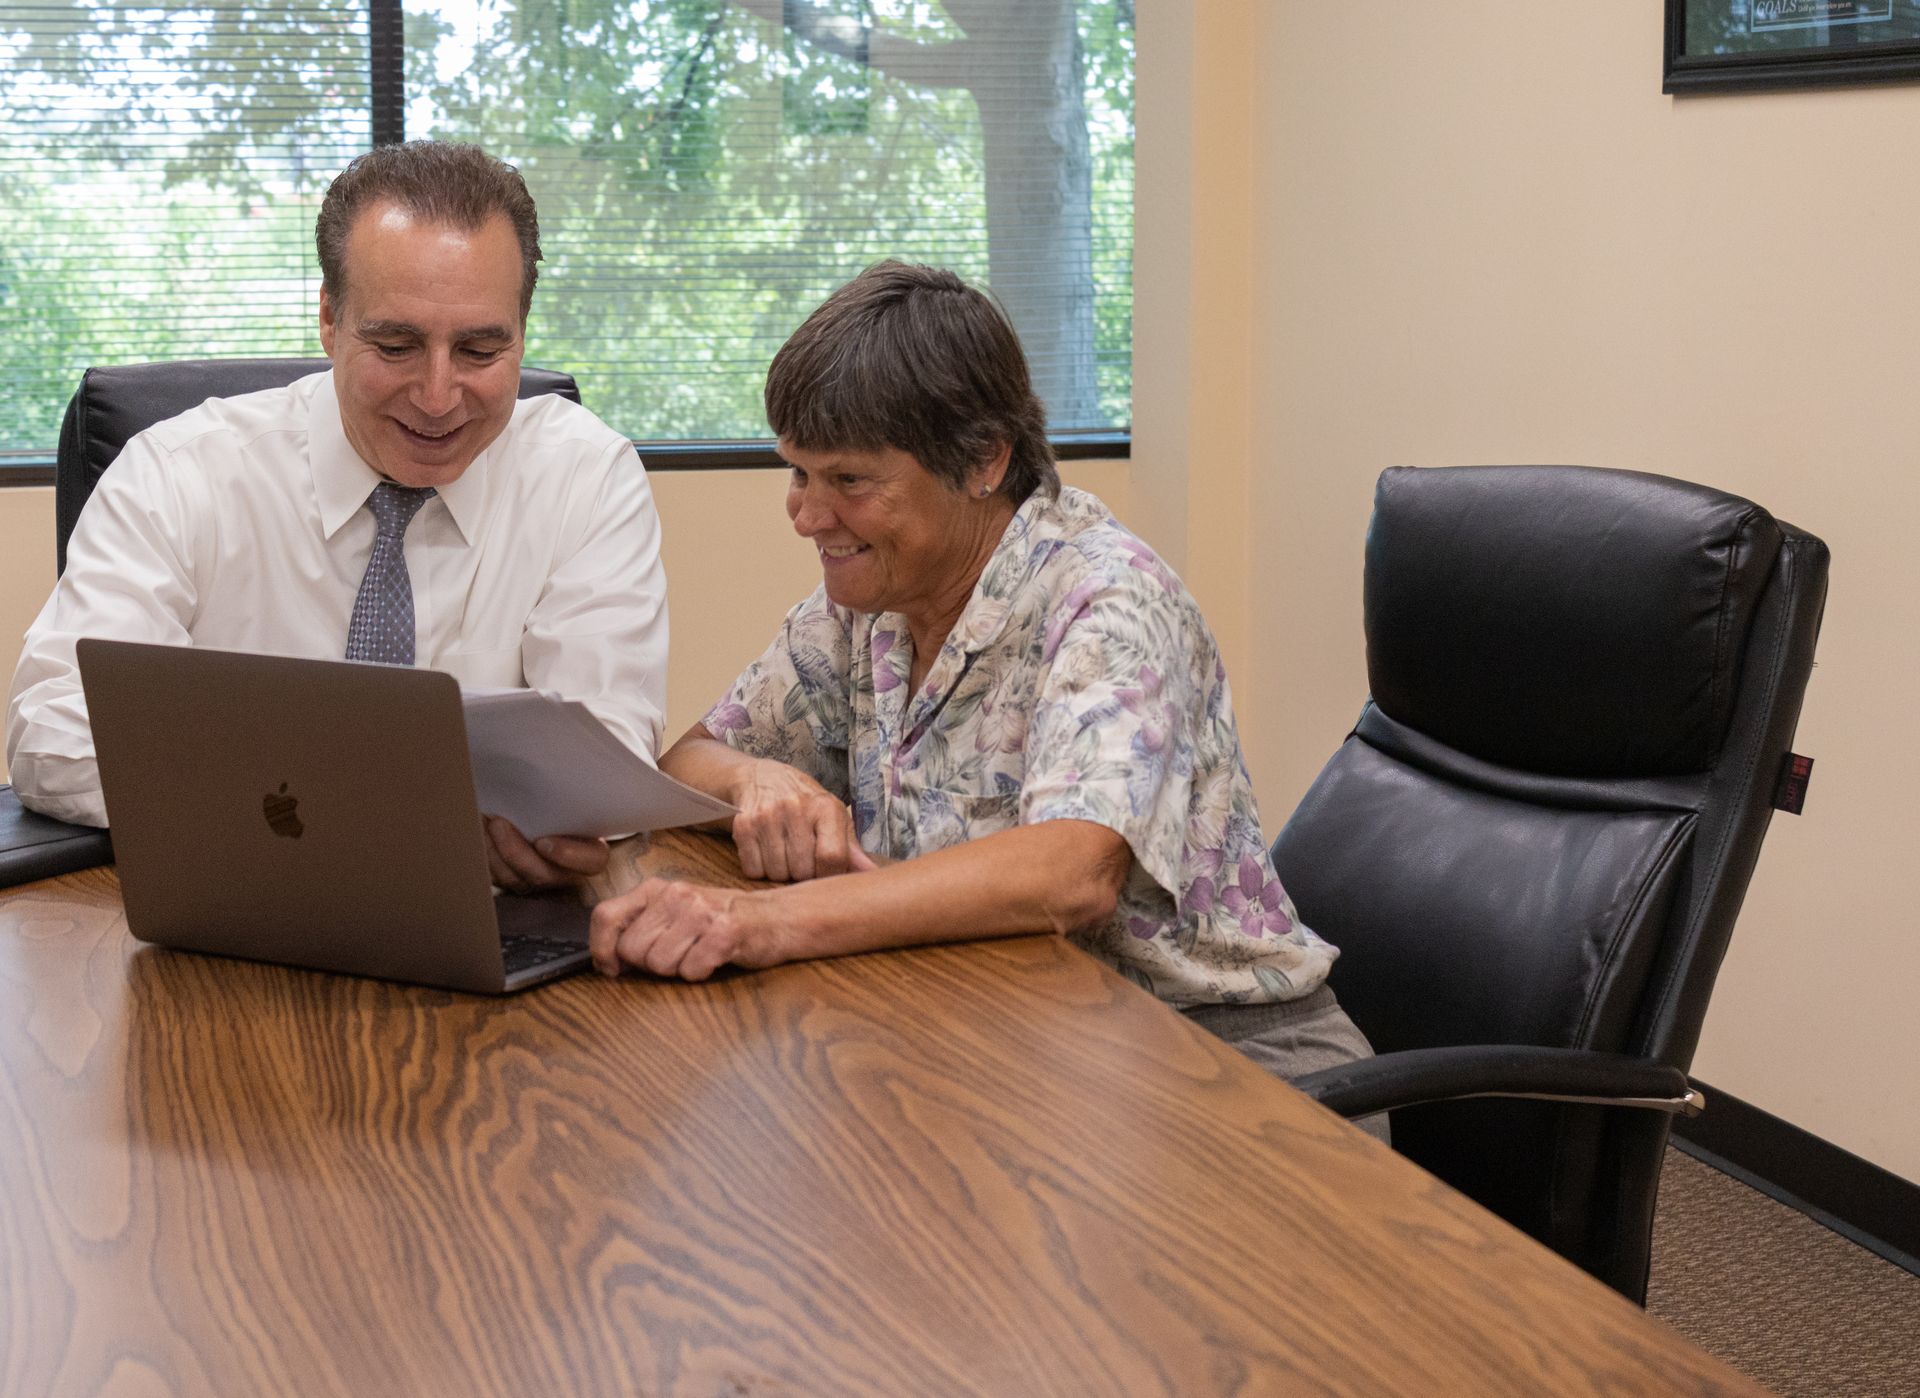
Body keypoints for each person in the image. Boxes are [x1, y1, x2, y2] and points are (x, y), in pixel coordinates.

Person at [590, 261, 1381, 1108]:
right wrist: (759, 779)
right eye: (799, 473)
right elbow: (686, 765)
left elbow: (1069, 873)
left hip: (1231, 1063)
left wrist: (763, 924)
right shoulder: (869, 604)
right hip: (1026, 1034)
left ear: (982, 460)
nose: (807, 515)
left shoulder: (1108, 602)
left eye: (849, 481)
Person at [5, 141, 664, 891]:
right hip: (230, 914)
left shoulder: (586, 476)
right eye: (396, 344)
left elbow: (607, 753)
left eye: (481, 349)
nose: (440, 394)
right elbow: (55, 730)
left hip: (491, 927)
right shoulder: (180, 471)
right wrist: (372, 818)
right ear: (328, 317)